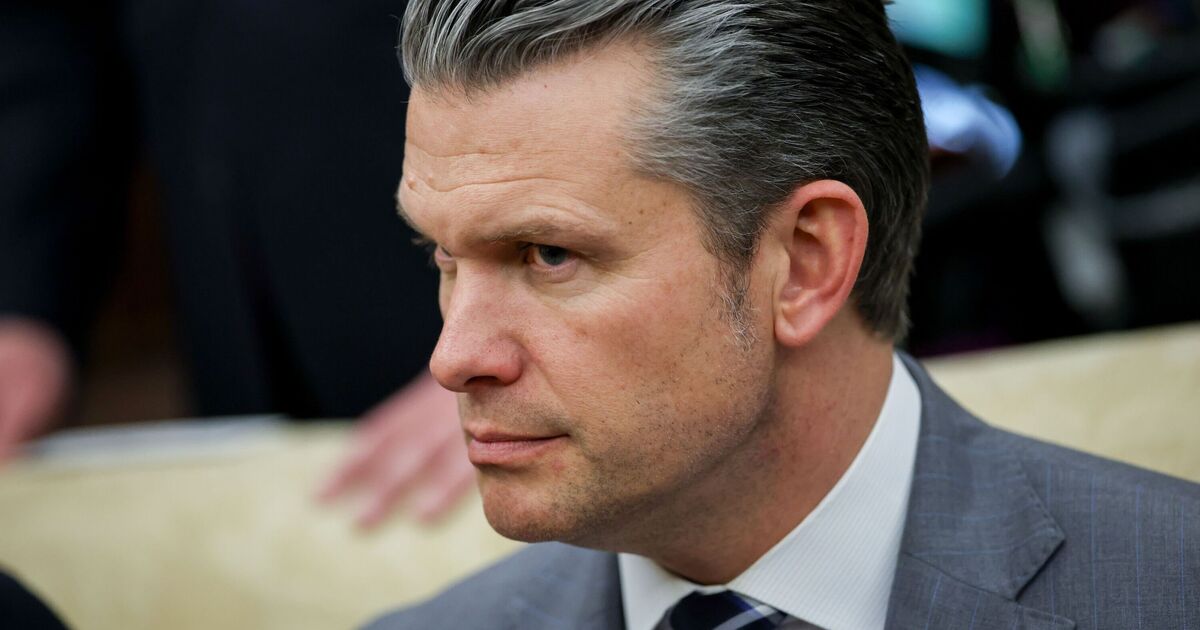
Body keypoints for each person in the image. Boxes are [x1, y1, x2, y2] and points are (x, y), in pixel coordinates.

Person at [365, 1, 1200, 629]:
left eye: (549, 254)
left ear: (805, 264)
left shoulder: (1169, 588)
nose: (452, 358)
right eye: (442, 255)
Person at [0, 1, 470, 526]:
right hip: (233, 298)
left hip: (470, 298)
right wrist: (22, 302)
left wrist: (514, 345)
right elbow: (47, 35)